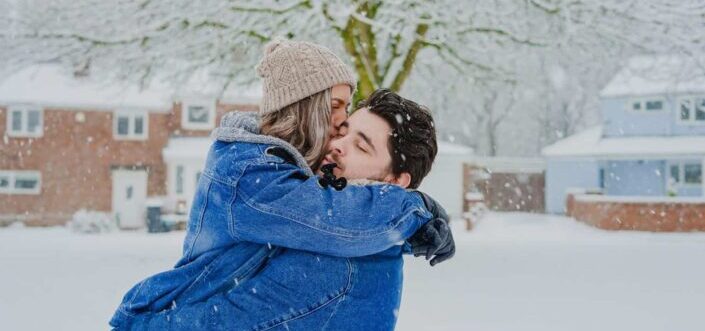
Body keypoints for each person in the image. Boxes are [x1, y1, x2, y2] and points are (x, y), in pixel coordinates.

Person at [109, 41, 453, 330]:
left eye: (361, 145)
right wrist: (417, 209)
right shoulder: (257, 177)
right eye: (342, 127)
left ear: (394, 183)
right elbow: (326, 215)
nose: (336, 140)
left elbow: (230, 321)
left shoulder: (342, 260)